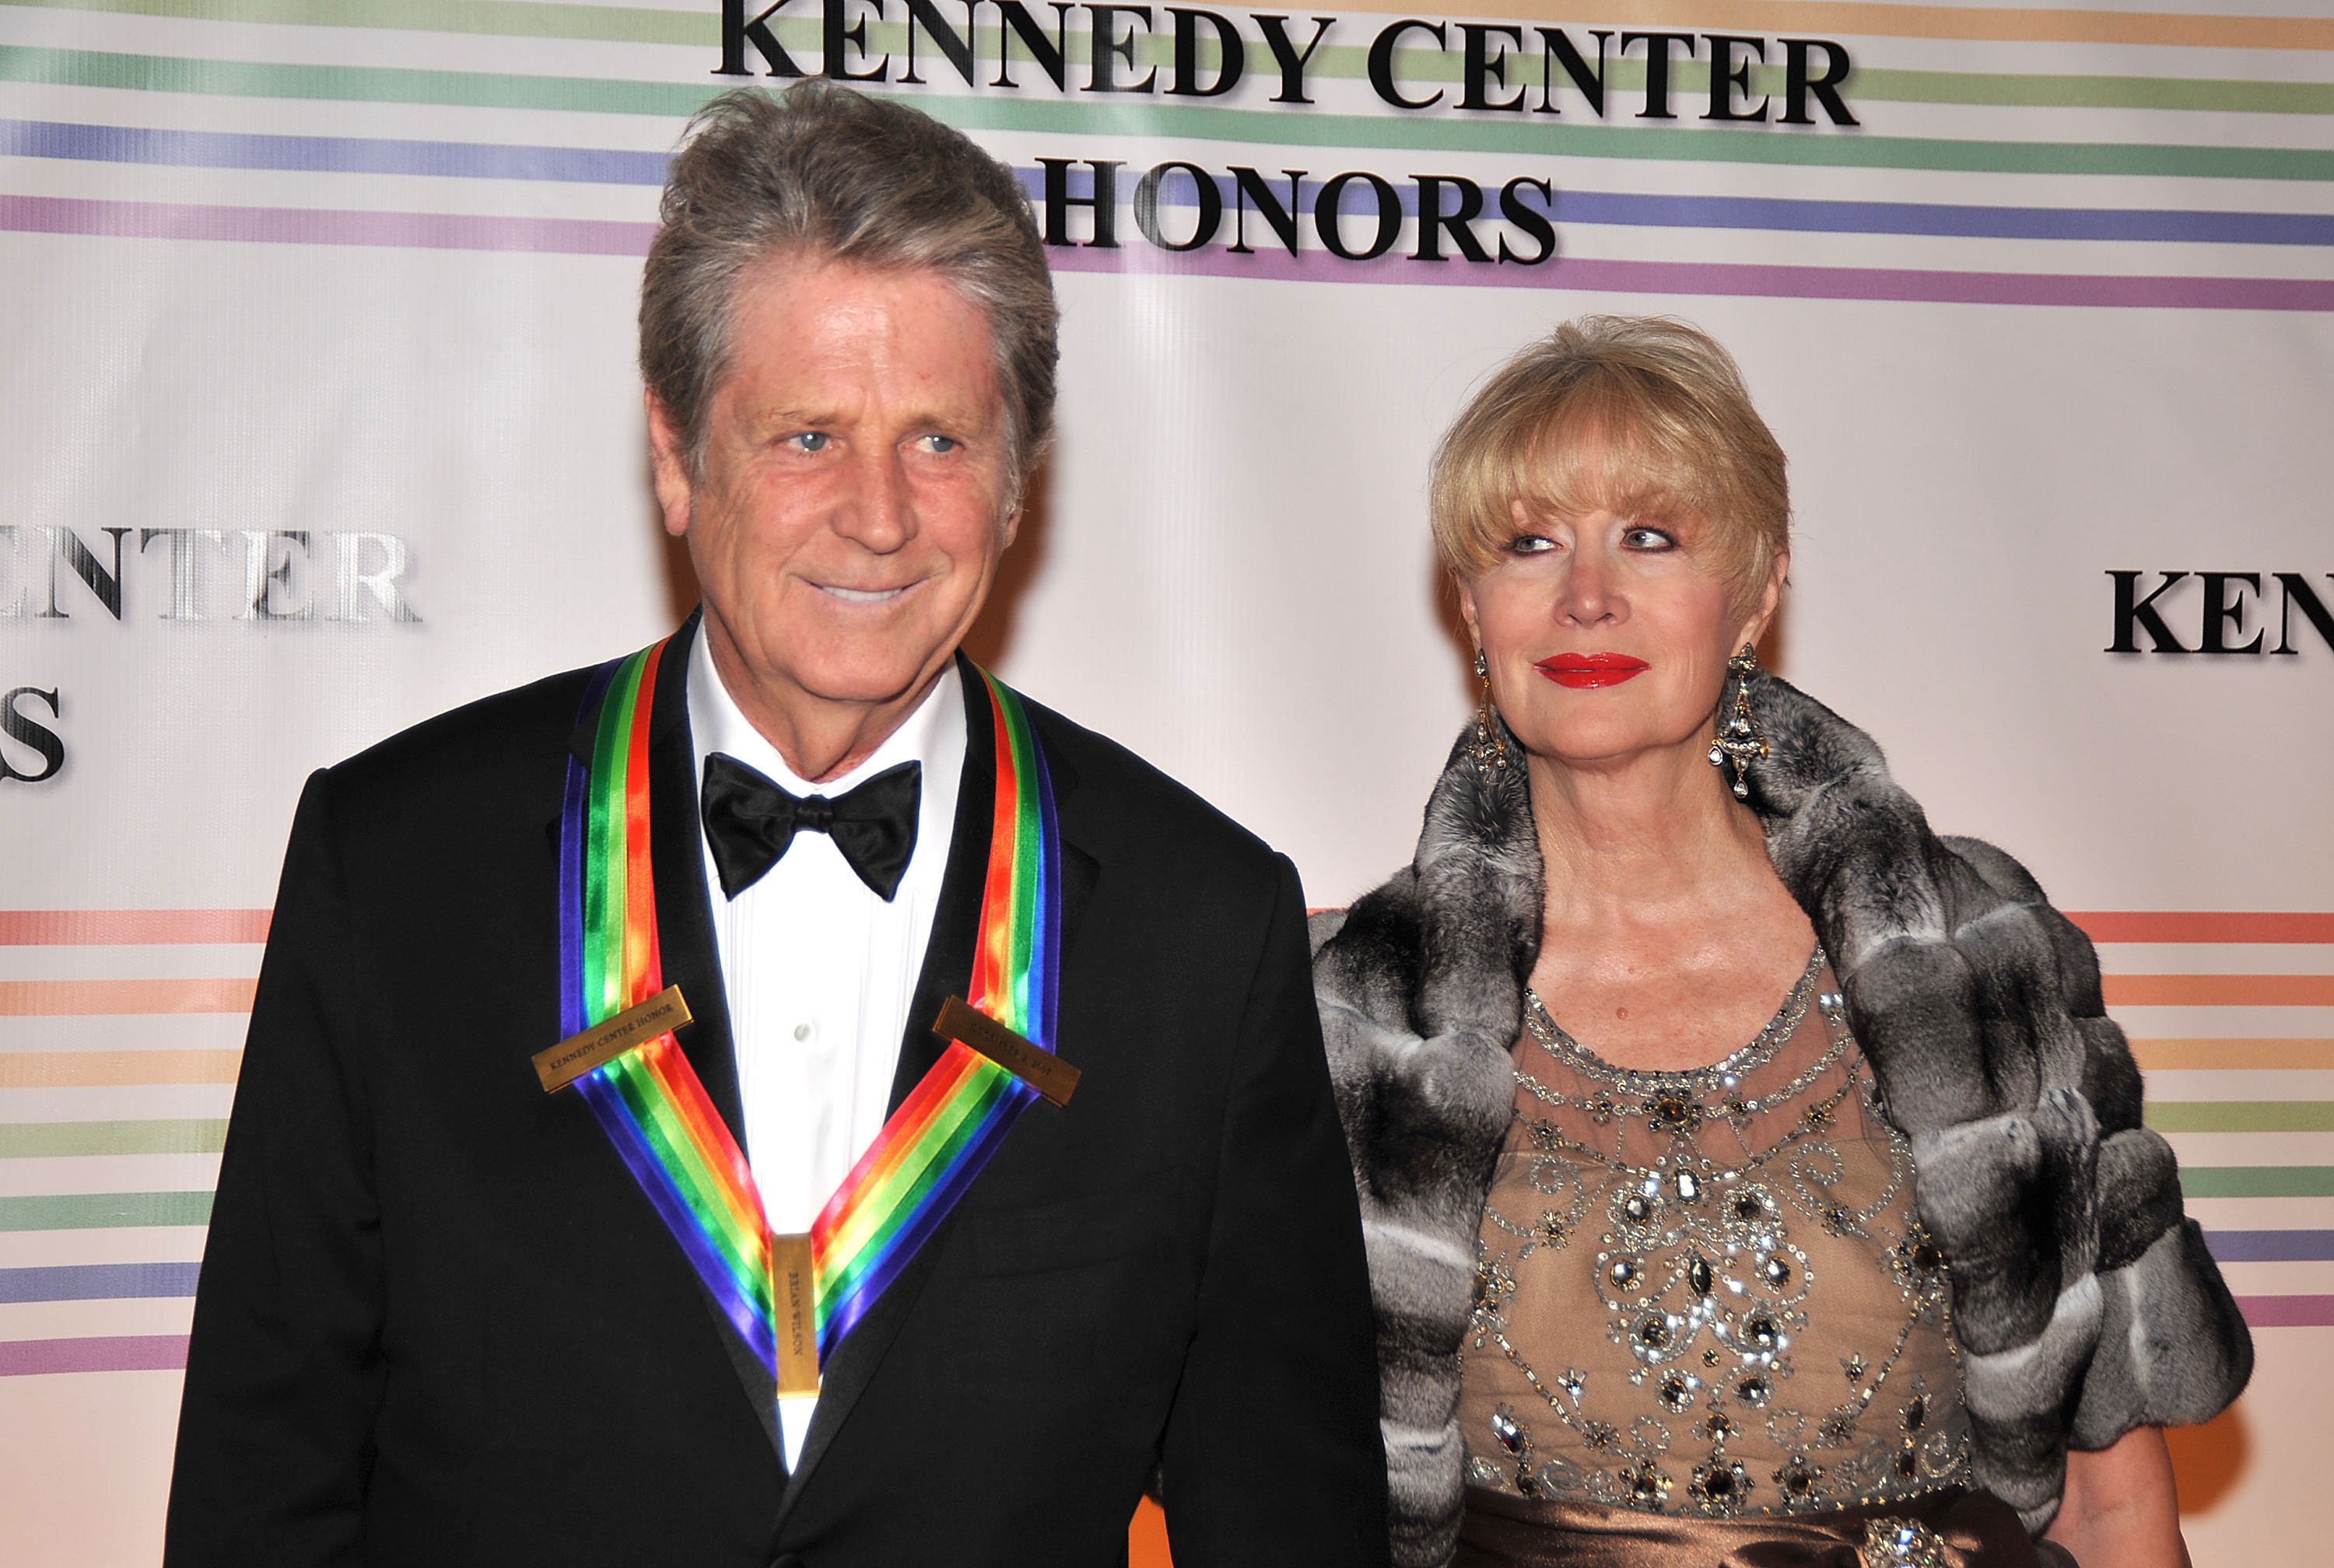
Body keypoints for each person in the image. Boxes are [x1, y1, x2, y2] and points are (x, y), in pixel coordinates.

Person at [166, 83, 1386, 1568]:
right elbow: (262, 1484)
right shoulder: (399, 864)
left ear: (1018, 482)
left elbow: (1290, 1518)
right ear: (678, 458)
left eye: (940, 439)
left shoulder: (1205, 927)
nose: (879, 515)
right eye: (808, 435)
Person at [1312, 317, 2250, 1568]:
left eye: (1651, 537)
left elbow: (2114, 1507)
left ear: (1756, 593)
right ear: (1474, 611)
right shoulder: (1356, 1020)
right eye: (1530, 543)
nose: (1587, 594)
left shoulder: (1976, 956)